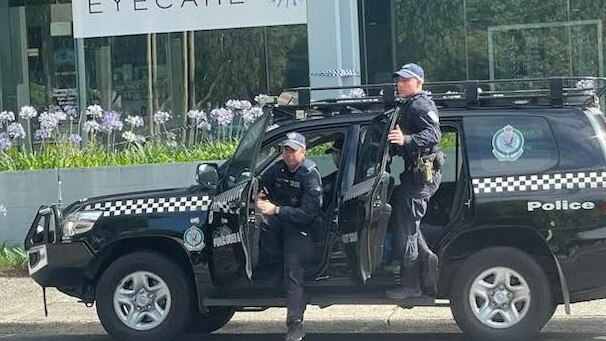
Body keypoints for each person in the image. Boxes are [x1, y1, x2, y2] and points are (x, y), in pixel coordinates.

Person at [256, 132, 323, 341]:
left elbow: (308, 213)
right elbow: (261, 184)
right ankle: (268, 273)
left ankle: (295, 324)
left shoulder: (309, 174)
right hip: (279, 224)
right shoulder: (278, 168)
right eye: (286, 150)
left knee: (294, 271)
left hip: (301, 228)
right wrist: (258, 196)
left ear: (303, 152)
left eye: (293, 150)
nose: (289, 154)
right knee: (255, 226)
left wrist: (275, 210)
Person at [385, 63, 444, 299]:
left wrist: (406, 139)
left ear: (419, 83)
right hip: (413, 176)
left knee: (409, 230)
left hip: (421, 178)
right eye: (398, 80)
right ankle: (429, 262)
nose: (400, 84)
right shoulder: (409, 105)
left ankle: (411, 285)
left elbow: (434, 134)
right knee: (411, 226)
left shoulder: (420, 104)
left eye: (405, 80)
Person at [321, 135, 344, 208]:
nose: (332, 157)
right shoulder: (359, 175)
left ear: (339, 154)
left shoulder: (333, 180)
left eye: (333, 153)